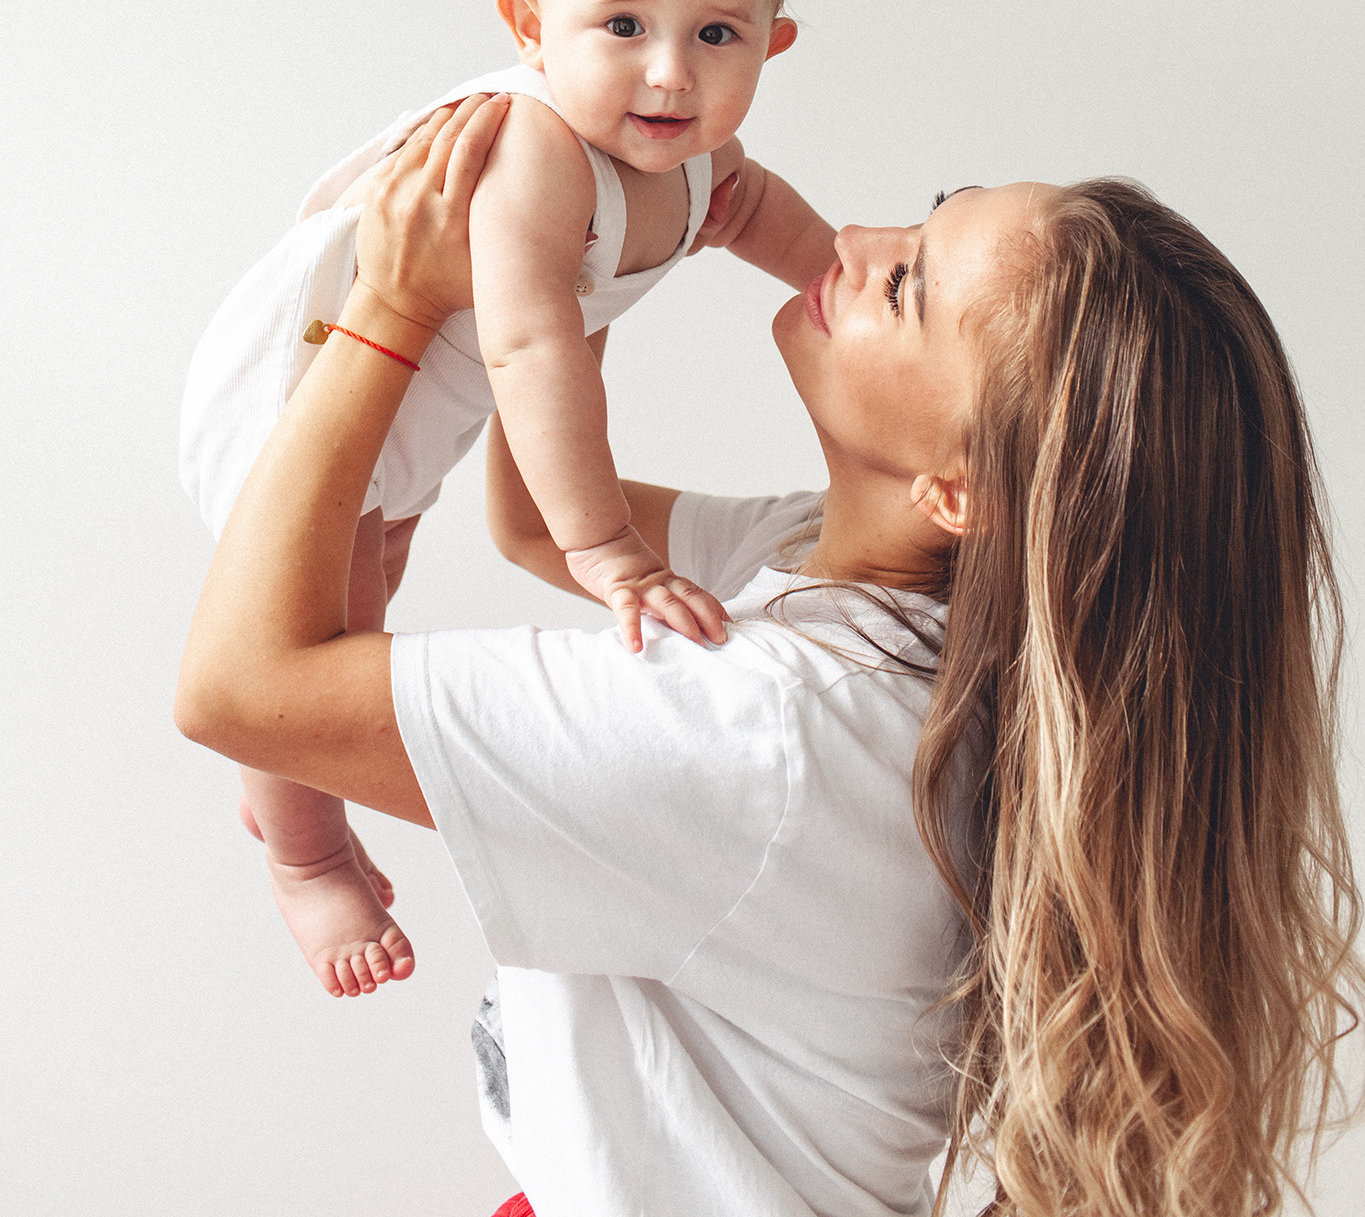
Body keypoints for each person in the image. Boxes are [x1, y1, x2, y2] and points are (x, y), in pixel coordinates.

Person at [176, 98, 1363, 1217]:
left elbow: (239, 689)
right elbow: (541, 528)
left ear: (959, 489)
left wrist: (384, 308)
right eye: (926, 207)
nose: (850, 238)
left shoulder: (771, 729)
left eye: (906, 284)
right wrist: (558, 257)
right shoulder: (883, 608)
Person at [178, 0, 837, 998]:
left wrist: (836, 273)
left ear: (773, 43)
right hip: (310, 387)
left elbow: (764, 216)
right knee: (327, 630)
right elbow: (536, 346)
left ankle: (284, 793)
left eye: (717, 32)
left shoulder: (698, 158)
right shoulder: (539, 149)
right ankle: (308, 852)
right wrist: (610, 551)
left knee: (372, 573)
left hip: (415, 419)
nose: (669, 70)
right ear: (531, 28)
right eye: (623, 23)